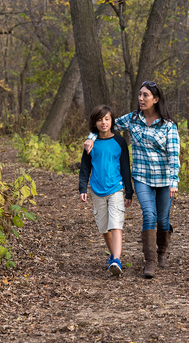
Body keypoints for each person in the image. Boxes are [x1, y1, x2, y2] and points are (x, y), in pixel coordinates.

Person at [84, 81, 180, 279]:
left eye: (145, 95)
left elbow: (174, 155)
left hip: (164, 179)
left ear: (156, 99)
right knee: (149, 214)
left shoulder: (168, 125)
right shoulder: (132, 119)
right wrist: (91, 137)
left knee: (162, 218)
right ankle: (150, 262)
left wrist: (173, 180)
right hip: (142, 177)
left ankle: (161, 253)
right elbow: (106, 125)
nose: (141, 99)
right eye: (140, 95)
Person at [79, 105, 133, 276]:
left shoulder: (120, 142)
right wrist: (83, 188)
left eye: (107, 119)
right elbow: (85, 168)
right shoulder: (90, 144)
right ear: (94, 123)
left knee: (116, 224)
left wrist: (129, 191)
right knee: (104, 227)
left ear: (112, 121)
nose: (104, 122)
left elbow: (125, 167)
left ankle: (116, 260)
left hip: (116, 188)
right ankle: (113, 256)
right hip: (97, 189)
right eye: (100, 119)